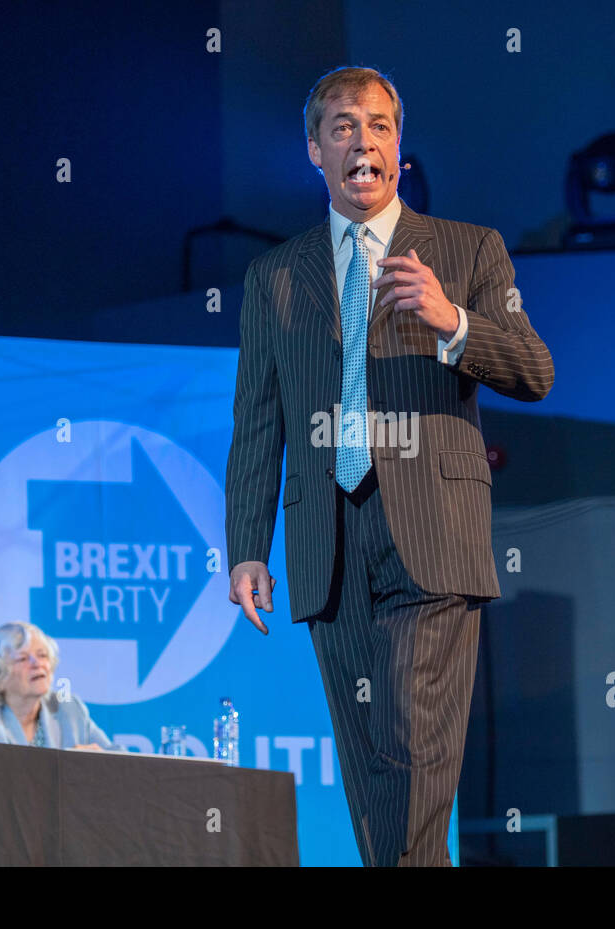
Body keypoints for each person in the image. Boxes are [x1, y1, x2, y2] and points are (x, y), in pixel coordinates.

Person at [225, 67, 554, 866]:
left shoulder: (468, 250)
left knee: (412, 743)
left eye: (377, 126)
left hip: (432, 539)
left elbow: (535, 371)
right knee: (371, 766)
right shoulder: (274, 277)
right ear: (315, 150)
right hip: (327, 543)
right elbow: (258, 422)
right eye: (341, 127)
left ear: (399, 150)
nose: (361, 141)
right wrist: (246, 546)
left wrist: (453, 322)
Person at [0, 621, 118, 750]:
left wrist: (99, 761)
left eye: (42, 655)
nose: (37, 664)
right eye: (22, 659)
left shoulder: (69, 709)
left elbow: (123, 761)